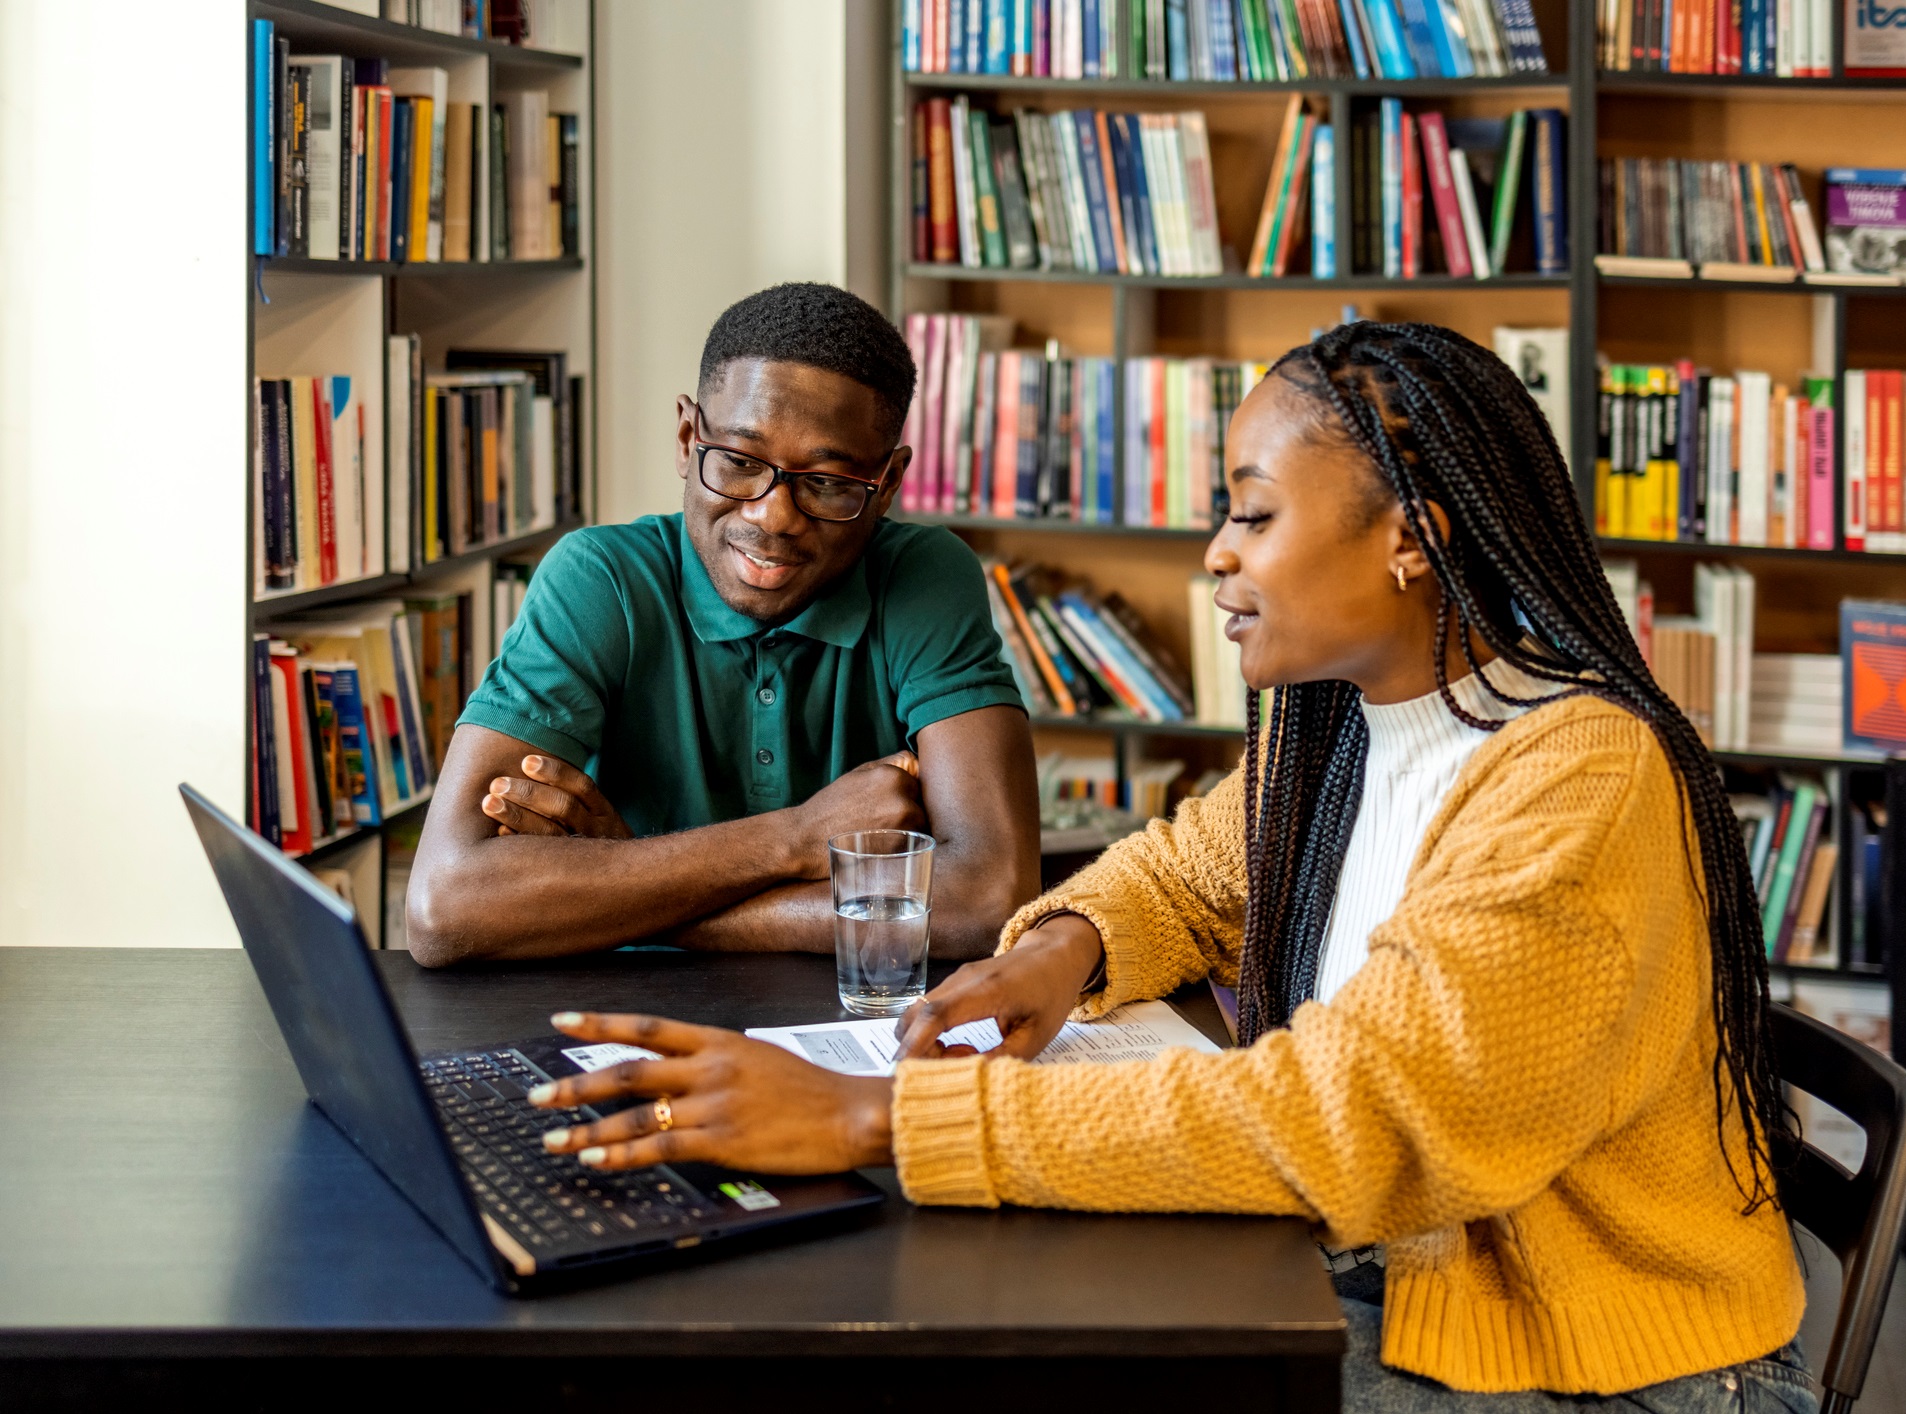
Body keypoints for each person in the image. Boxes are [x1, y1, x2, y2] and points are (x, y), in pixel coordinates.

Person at [517, 322, 1817, 1411]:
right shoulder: (1347, 720)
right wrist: (1056, 949)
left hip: (1586, 1351)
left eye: (1253, 513)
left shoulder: (1572, 773)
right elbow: (1186, 874)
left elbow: (1347, 1116)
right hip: (1405, 1269)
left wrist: (877, 1115)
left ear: (1411, 536)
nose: (1216, 555)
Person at [406, 283, 1040, 966]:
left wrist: (627, 890)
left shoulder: (925, 576)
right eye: (739, 463)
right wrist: (796, 838)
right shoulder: (600, 578)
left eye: (826, 482)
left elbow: (988, 899)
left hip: (847, 1031)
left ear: (885, 485)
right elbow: (446, 907)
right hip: (620, 1021)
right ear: (688, 438)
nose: (772, 517)